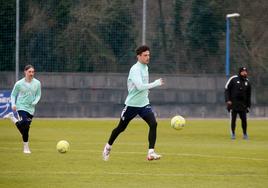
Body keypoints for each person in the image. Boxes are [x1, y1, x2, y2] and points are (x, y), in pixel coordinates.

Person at [102, 45, 164, 161]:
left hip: (143, 104)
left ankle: (151, 152)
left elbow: (142, 86)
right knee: (120, 128)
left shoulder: (145, 68)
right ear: (138, 56)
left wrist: (147, 90)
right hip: (131, 105)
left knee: (153, 124)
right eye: (145, 55)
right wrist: (155, 83)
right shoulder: (135, 69)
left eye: (148, 55)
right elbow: (140, 87)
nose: (148, 57)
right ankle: (107, 147)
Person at [4, 65, 41, 153]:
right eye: (29, 72)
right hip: (21, 106)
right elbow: (13, 95)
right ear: (25, 72)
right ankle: (26, 148)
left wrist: (35, 101)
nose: (31, 73)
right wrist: (13, 104)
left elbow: (38, 95)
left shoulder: (37, 83)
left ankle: (12, 118)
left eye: (33, 72)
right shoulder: (19, 83)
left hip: (31, 109)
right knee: (25, 123)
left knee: (26, 128)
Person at [224, 67, 251, 140]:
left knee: (244, 120)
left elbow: (249, 95)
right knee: (233, 120)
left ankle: (245, 134)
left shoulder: (247, 82)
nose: (245, 73)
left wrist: (248, 106)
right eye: (243, 71)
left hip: (243, 105)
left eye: (245, 71)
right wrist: (228, 100)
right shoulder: (233, 79)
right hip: (233, 104)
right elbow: (226, 89)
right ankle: (233, 133)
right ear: (240, 72)